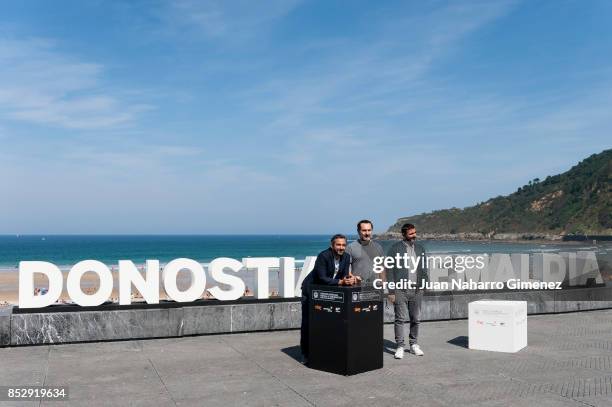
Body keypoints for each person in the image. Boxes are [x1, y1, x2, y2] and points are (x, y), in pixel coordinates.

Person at [300, 234, 356, 364]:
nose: (341, 247)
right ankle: (305, 353)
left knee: (327, 324)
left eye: (343, 245)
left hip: (327, 293)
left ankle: (325, 351)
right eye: (338, 245)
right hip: (310, 292)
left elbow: (343, 274)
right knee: (308, 324)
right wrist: (342, 282)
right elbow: (322, 278)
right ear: (332, 246)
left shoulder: (347, 257)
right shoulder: (323, 256)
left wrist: (350, 278)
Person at [386, 223, 428, 359]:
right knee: (400, 319)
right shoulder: (395, 249)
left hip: (417, 290)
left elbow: (423, 268)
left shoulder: (421, 248)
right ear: (404, 235)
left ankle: (414, 344)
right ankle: (400, 346)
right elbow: (389, 271)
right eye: (411, 234)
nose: (414, 236)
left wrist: (424, 285)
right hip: (400, 290)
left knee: (416, 318)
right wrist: (391, 291)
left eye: (415, 233)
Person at [346, 219, 385, 284]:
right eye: (364, 230)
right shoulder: (350, 247)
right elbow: (346, 268)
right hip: (357, 287)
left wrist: (383, 285)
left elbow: (382, 268)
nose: (367, 233)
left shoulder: (378, 247)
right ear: (358, 231)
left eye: (369, 230)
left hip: (375, 287)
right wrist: (353, 279)